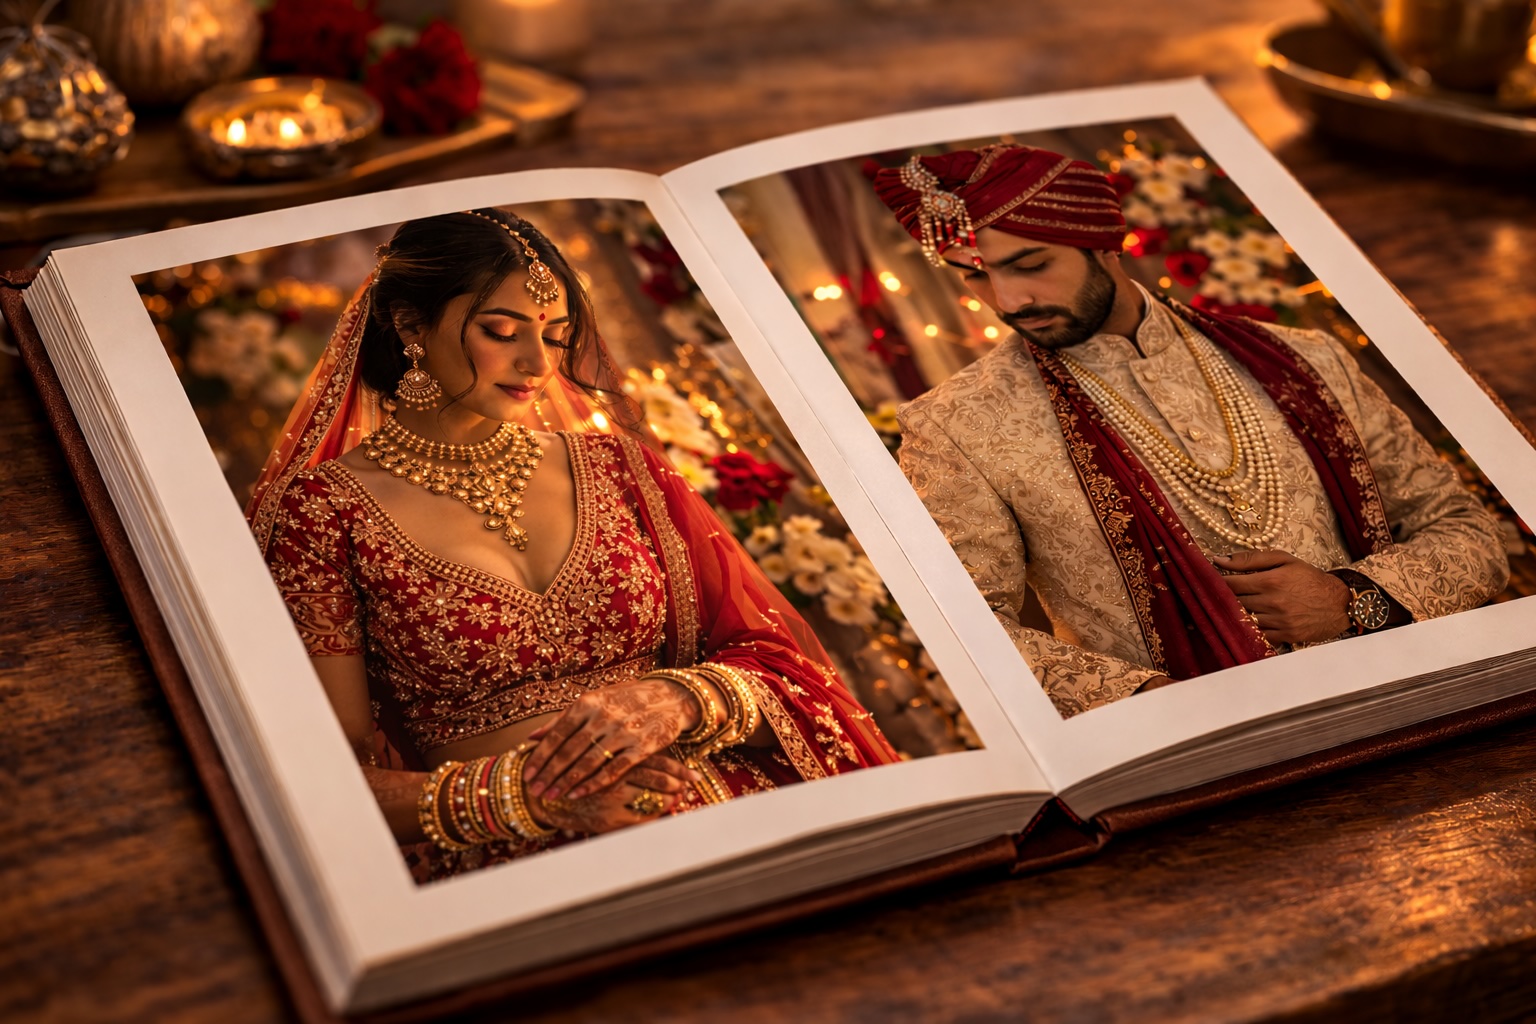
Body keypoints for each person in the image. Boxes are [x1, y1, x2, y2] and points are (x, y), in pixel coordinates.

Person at [246, 208, 896, 878]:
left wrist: (681, 698)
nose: (537, 364)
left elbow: (777, 660)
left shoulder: (621, 468)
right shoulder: (323, 513)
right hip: (518, 863)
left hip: (734, 808)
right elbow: (324, 777)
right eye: (500, 332)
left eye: (556, 338)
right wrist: (524, 798)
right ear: (410, 325)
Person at [872, 145, 1510, 717]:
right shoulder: (955, 424)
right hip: (1202, 768)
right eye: (976, 276)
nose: (1008, 301)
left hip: (1413, 704)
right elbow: (962, 630)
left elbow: (1467, 530)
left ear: (1102, 243)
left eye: (1031, 264)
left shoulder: (1307, 357)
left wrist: (1350, 601)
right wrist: (1166, 709)